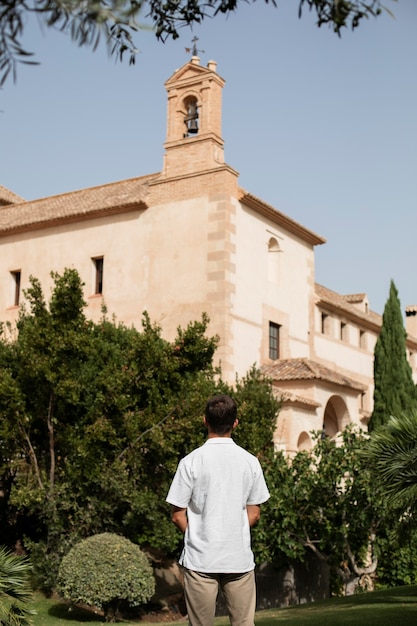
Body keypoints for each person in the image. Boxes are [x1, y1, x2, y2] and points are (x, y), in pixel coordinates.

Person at [166, 394, 270, 626]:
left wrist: (199, 534)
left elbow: (177, 514)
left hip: (200, 561)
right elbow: (254, 513)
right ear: (235, 423)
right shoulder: (250, 462)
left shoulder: (190, 462)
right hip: (239, 559)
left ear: (205, 421)